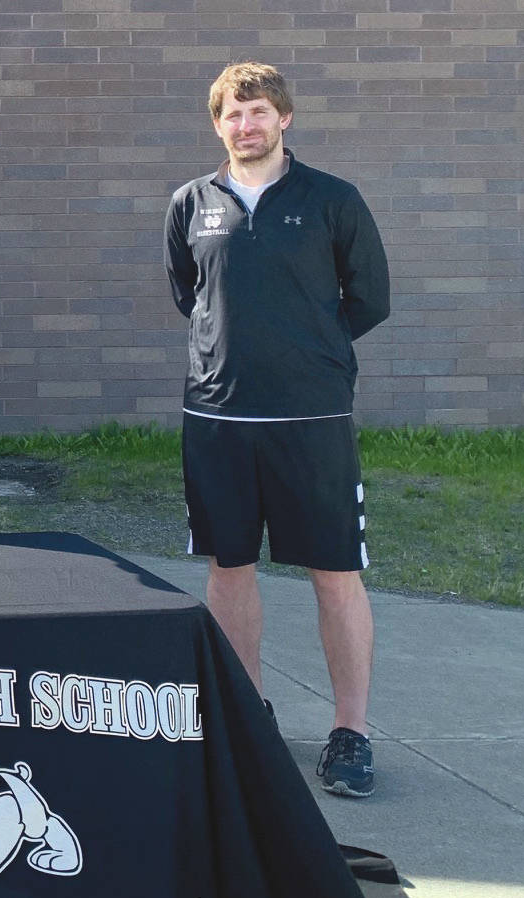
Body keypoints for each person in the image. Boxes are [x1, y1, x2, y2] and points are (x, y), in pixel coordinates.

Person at [165, 62, 390, 797]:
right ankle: (247, 717)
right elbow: (189, 295)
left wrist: (311, 352)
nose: (245, 125)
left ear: (284, 117)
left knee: (335, 574)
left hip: (312, 420)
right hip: (219, 418)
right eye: (232, 115)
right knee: (229, 569)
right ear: (217, 125)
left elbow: (369, 298)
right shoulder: (190, 203)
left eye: (257, 111)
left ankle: (349, 732)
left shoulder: (333, 200)